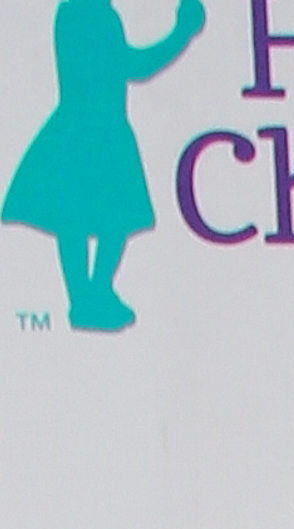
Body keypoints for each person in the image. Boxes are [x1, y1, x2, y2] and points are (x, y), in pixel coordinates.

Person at [2, 0, 206, 331]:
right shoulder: (85, 15)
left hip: (96, 129)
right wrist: (181, 32)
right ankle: (86, 298)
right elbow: (132, 65)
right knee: (85, 220)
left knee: (95, 220)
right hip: (92, 131)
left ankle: (94, 293)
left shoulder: (88, 13)